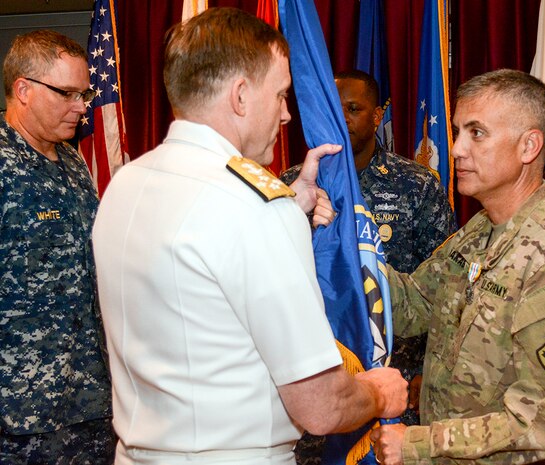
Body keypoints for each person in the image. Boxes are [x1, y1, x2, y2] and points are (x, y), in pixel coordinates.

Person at [92, 8, 408, 465]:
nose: (285, 115)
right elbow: (320, 405)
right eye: (280, 95)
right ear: (240, 96)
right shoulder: (256, 208)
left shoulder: (126, 183)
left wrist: (288, 213)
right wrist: (379, 394)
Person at [372, 69, 545, 465]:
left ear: (529, 145)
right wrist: (347, 243)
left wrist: (420, 444)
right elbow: (414, 305)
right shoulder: (481, 227)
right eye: (457, 131)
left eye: (476, 133)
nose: (457, 148)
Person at [281, 70, 456, 464]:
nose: (342, 118)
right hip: (317, 377)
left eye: (354, 109)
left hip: (396, 382)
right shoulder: (293, 185)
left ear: (377, 117)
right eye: (334, 109)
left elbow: (446, 288)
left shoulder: (417, 184)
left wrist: (430, 369)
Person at [0, 30, 115, 463]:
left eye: (84, 93)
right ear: (23, 90)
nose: (82, 106)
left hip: (89, 400)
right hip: (20, 416)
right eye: (67, 93)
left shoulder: (72, 160)